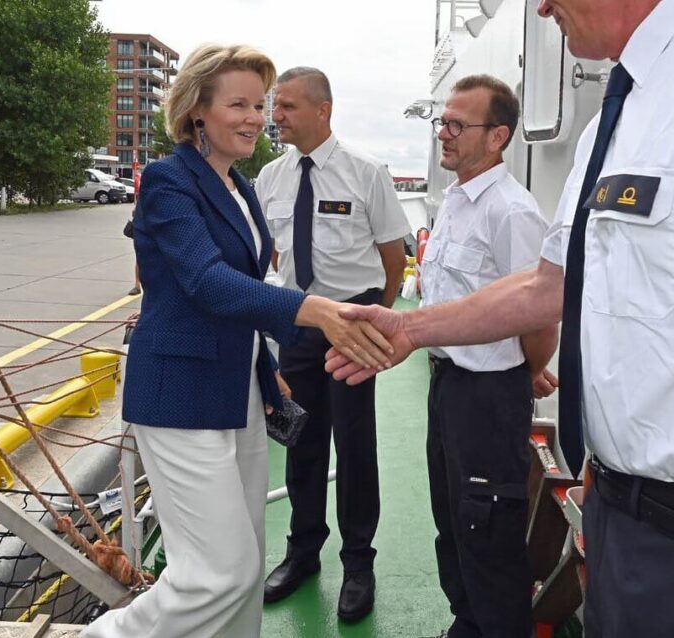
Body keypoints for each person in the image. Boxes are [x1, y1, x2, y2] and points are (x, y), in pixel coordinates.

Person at [327, 0, 674, 635]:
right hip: (621, 517)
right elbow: (552, 285)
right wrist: (409, 328)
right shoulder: (620, 111)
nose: (541, 7)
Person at [80, 45, 392, 638]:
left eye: (260, 104)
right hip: (182, 395)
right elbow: (205, 281)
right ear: (198, 110)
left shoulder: (239, 187)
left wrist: (266, 360)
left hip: (241, 392)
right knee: (216, 574)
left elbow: (252, 282)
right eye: (239, 104)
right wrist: (314, 309)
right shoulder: (170, 181)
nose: (255, 117)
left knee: (245, 564)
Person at [255, 66, 409, 622]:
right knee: (301, 440)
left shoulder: (366, 172)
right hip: (299, 322)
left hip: (356, 320)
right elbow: (272, 256)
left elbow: (395, 257)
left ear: (323, 110)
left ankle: (358, 562)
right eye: (275, 107)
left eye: (287, 106)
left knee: (355, 444)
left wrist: (379, 320)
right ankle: (303, 554)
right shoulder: (270, 178)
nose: (276, 117)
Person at [421, 75, 556, 638]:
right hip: (448, 384)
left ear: (498, 136)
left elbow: (539, 314)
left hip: (488, 395)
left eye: (457, 125)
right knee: (451, 518)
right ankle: (467, 622)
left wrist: (521, 373)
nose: (443, 134)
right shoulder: (456, 200)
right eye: (442, 122)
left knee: (488, 526)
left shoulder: (512, 212)